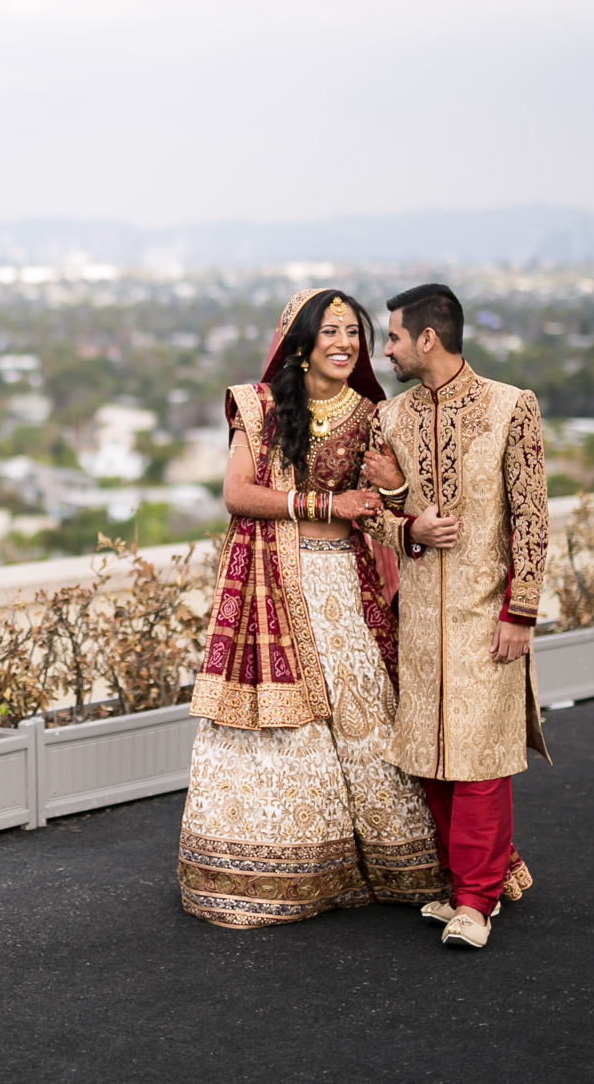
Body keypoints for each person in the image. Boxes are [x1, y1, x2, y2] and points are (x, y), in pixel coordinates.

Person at [177, 288, 450, 928]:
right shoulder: (262, 406)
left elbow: (381, 513)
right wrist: (327, 506)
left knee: (364, 715)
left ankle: (394, 864)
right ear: (300, 341)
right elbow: (238, 494)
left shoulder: (371, 415)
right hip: (274, 585)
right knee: (283, 726)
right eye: (329, 331)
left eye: (353, 332)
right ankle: (283, 872)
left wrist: (399, 495)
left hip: (344, 589)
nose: (344, 344)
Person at [360, 283, 548, 951]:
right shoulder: (392, 418)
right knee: (431, 757)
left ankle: (475, 901)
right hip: (420, 621)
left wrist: (520, 611)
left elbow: (532, 517)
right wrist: (407, 519)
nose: (385, 349)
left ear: (428, 338)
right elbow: (374, 520)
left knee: (478, 758)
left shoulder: (509, 407)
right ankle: (474, 880)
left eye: (393, 337)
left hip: (485, 613)